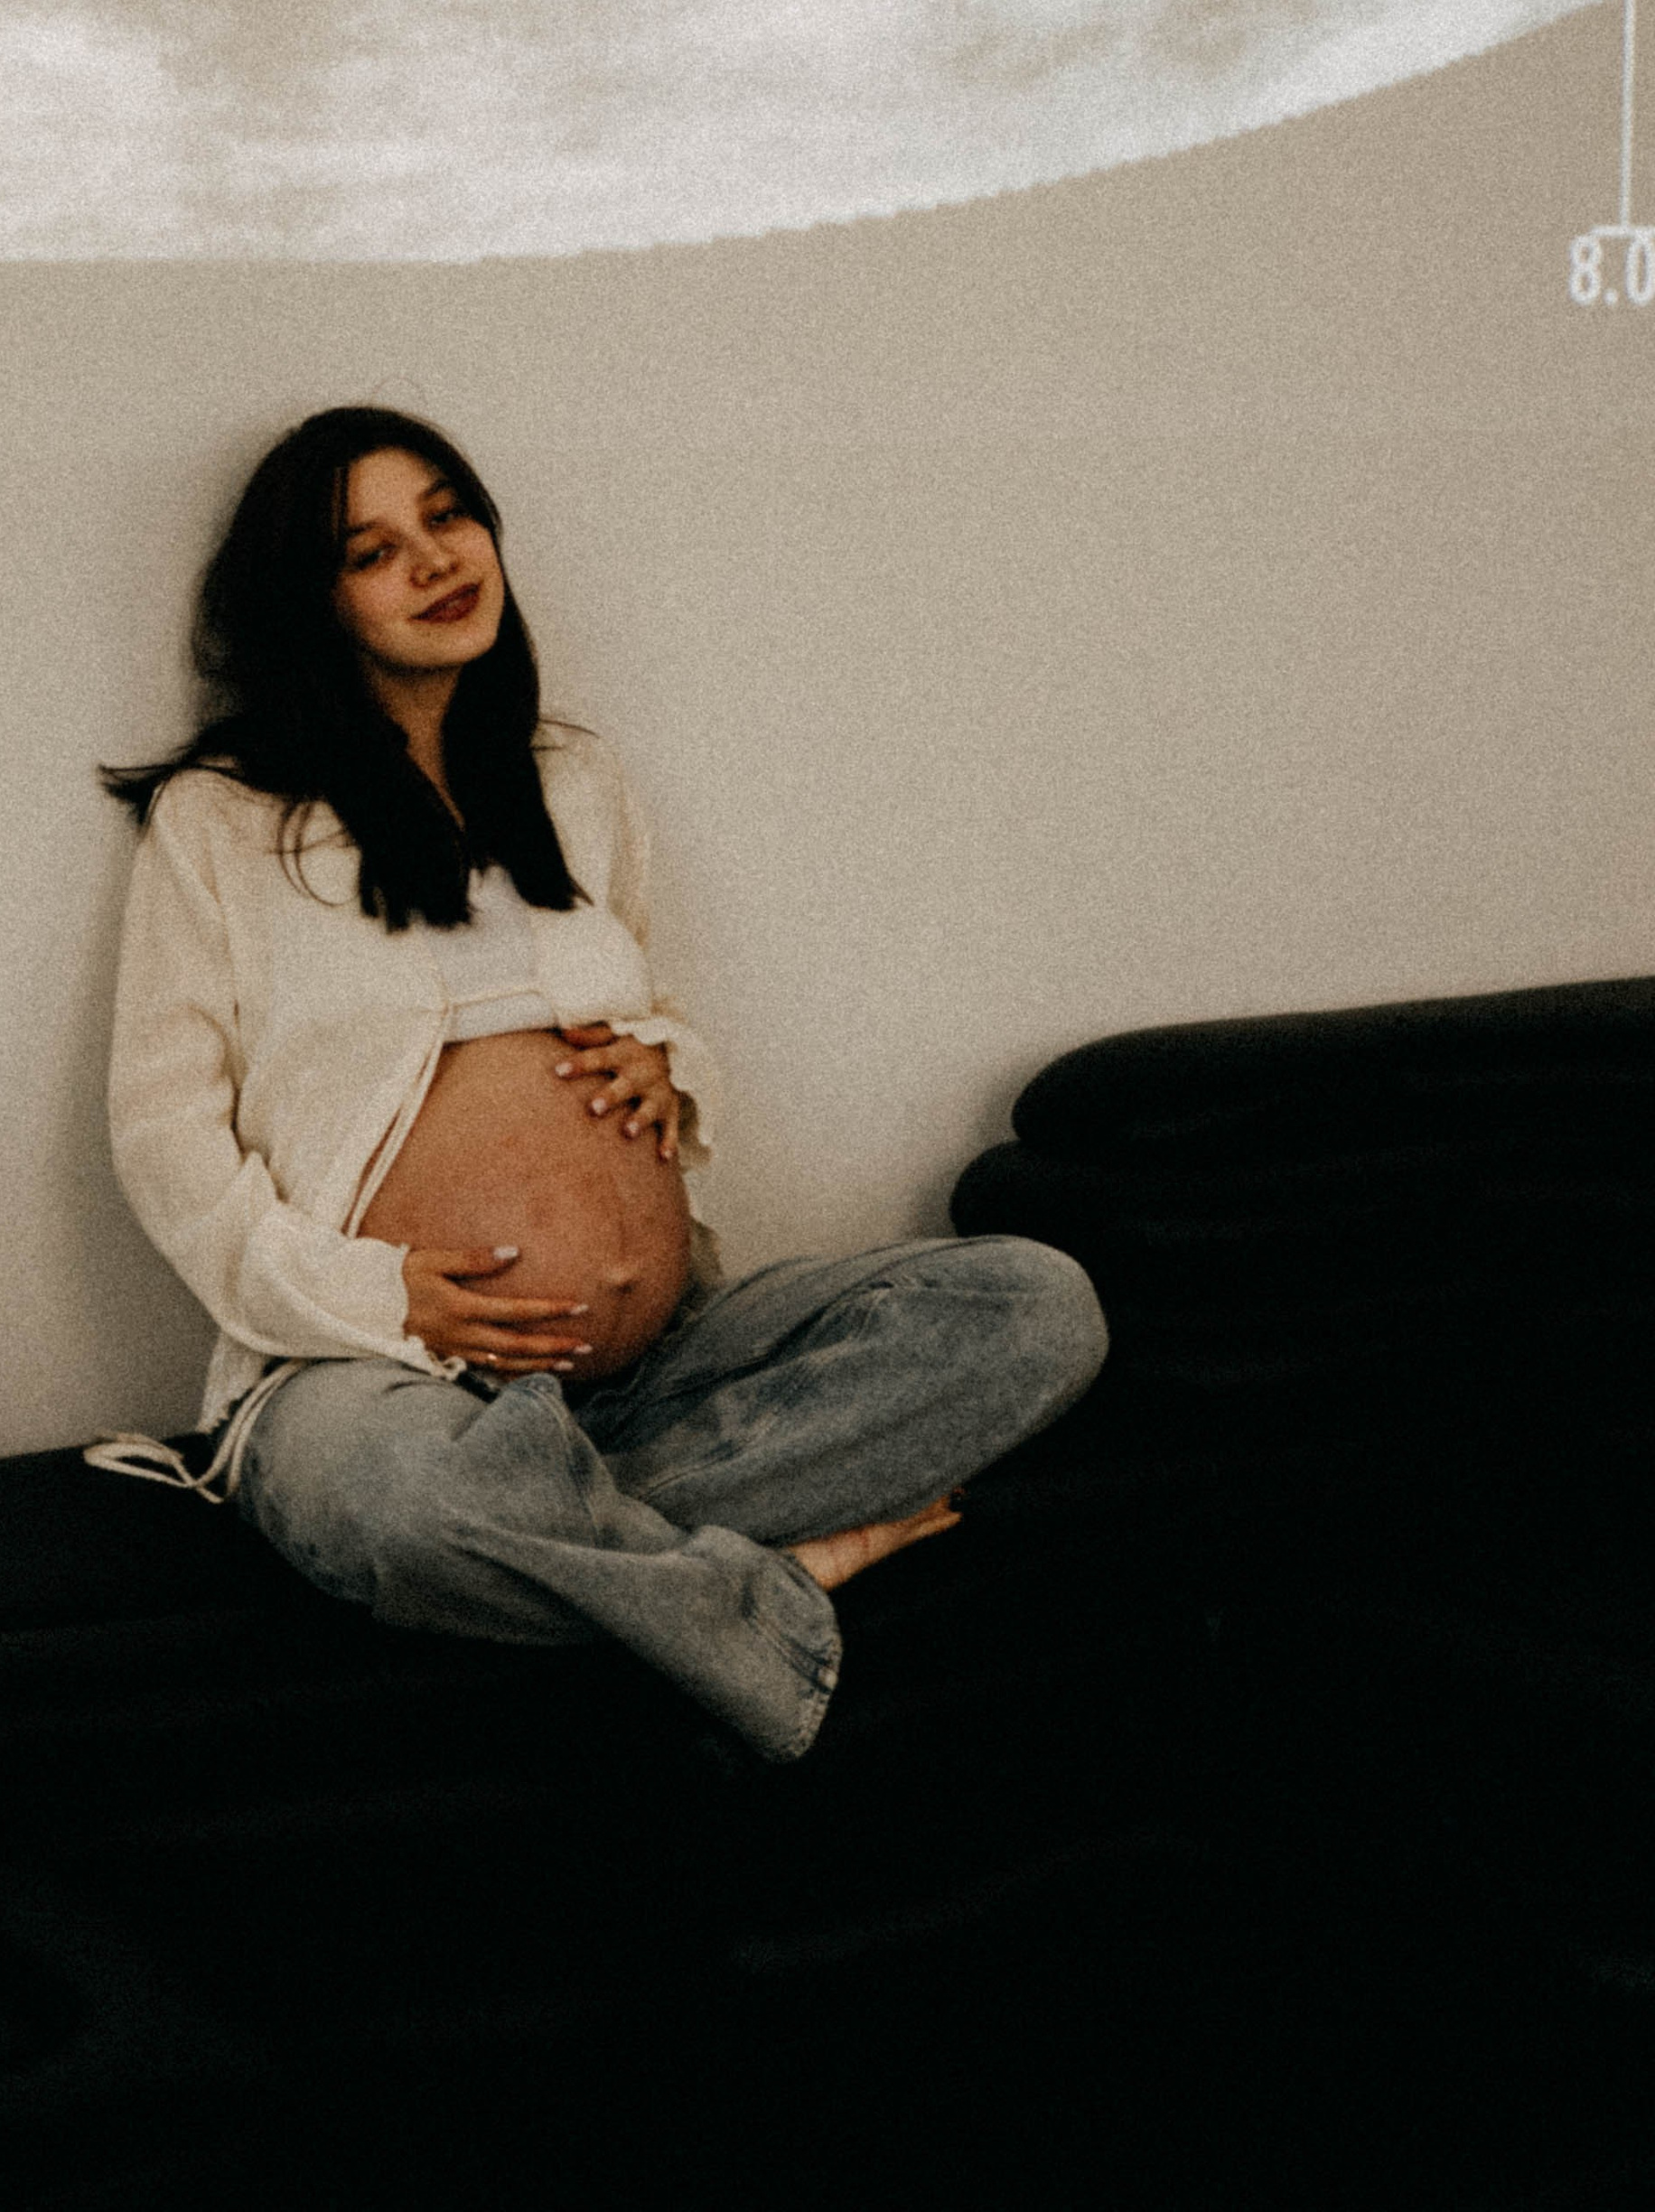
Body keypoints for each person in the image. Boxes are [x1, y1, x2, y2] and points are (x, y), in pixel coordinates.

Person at [87, 406, 1106, 1765]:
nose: (435, 561)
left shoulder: (575, 778)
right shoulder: (222, 818)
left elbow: (653, 1012)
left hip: (661, 1361)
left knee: (1036, 1306)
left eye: (447, 515)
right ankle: (764, 1589)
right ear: (312, 601)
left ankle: (578, 1531)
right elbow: (162, 1134)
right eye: (372, 552)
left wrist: (668, 1068)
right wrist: (374, 1295)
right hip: (373, 1376)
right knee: (404, 1509)